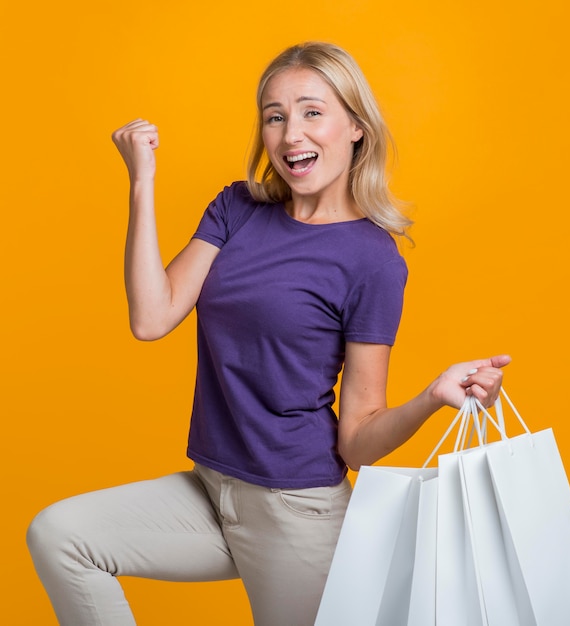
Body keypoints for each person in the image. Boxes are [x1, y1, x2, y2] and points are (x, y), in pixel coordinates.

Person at [27, 41, 510, 626]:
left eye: (312, 112)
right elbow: (152, 318)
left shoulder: (372, 260)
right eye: (275, 116)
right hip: (212, 489)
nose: (290, 135)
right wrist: (142, 180)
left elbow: (356, 442)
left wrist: (432, 397)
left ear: (356, 126)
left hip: (296, 510)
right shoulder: (238, 208)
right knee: (60, 536)